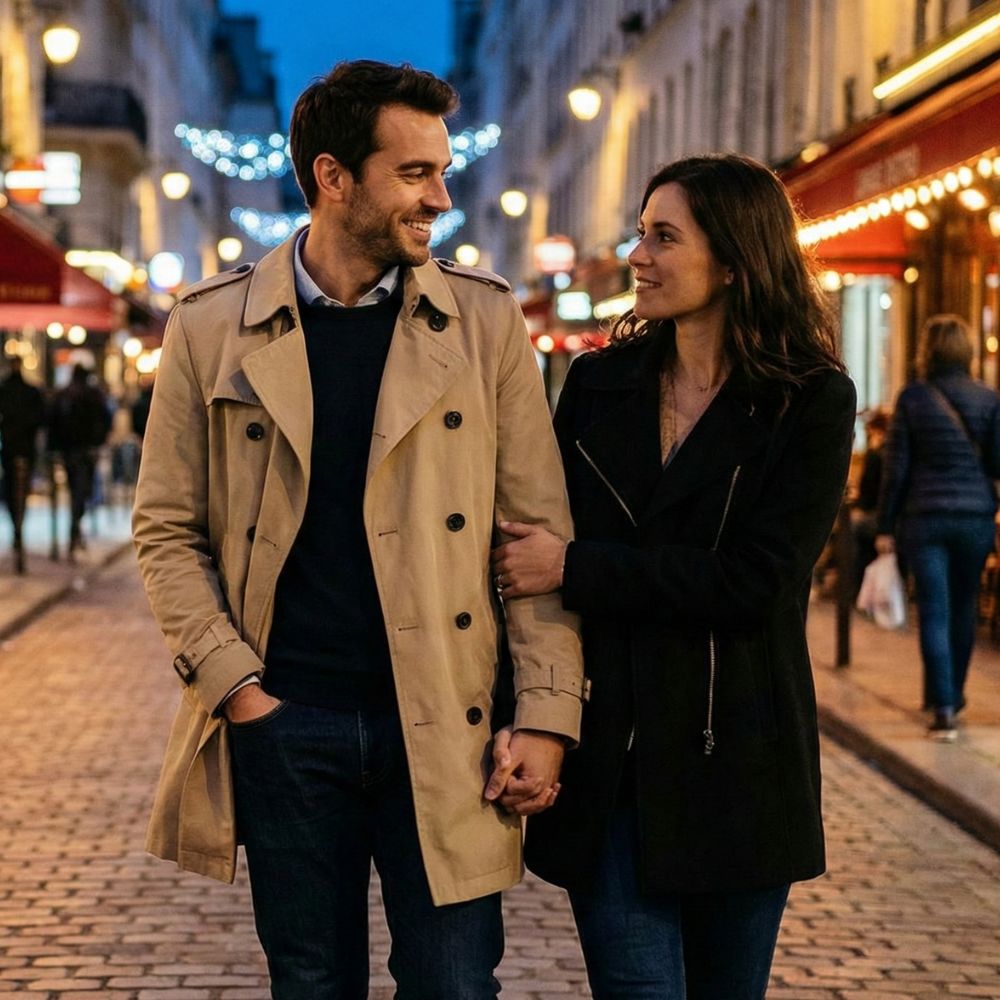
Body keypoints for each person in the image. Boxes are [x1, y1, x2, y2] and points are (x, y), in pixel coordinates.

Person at [132, 60, 584, 1000]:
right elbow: (167, 528)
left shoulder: (484, 323)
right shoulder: (212, 327)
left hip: (448, 721)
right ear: (334, 177)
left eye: (442, 170)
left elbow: (535, 536)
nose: (442, 197)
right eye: (415, 173)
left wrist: (544, 713)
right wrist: (238, 688)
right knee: (310, 982)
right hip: (288, 724)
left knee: (456, 984)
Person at [490, 154, 856, 999]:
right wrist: (530, 713)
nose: (638, 255)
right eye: (641, 232)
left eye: (663, 236)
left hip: (738, 762)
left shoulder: (810, 400)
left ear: (733, 258)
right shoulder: (597, 383)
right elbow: (529, 550)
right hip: (611, 764)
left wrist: (575, 567)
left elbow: (755, 584)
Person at [875, 315, 1000, 742]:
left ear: (927, 350)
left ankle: (942, 706)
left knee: (934, 609)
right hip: (975, 518)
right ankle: (952, 695)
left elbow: (896, 468)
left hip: (924, 517)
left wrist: (884, 525)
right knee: (964, 609)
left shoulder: (912, 398)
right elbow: (997, 464)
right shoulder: (989, 399)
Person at [48, 362, 112, 556]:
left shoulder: (65, 394)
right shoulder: (92, 395)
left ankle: (75, 529)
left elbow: (53, 421)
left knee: (76, 489)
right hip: (85, 450)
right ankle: (75, 528)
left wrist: (56, 447)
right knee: (82, 491)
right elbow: (105, 418)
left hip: (71, 450)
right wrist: (98, 441)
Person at [0, 357, 46, 573]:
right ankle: (17, 529)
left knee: (13, 492)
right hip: (21, 450)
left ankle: (17, 529)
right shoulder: (29, 391)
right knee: (17, 492)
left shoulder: (9, 390)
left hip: (12, 450)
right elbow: (40, 419)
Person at [851, 408, 889, 594]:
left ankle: (854, 587)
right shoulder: (895, 453)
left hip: (873, 516)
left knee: (851, 528)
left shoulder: (875, 455)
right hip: (891, 520)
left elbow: (867, 490)